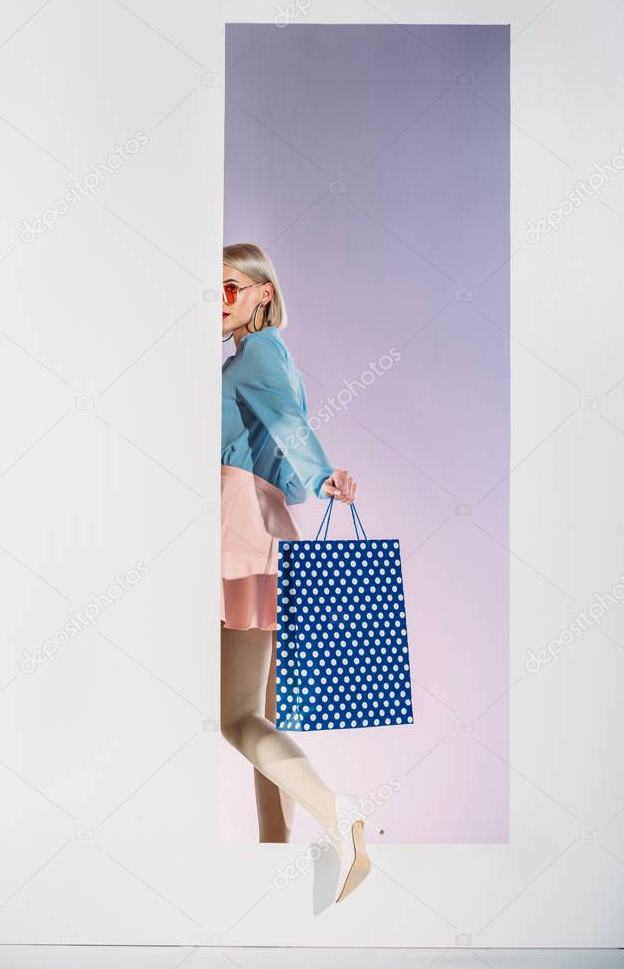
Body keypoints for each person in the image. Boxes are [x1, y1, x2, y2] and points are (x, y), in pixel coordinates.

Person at [220, 242, 383, 904]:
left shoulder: (260, 351)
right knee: (265, 715)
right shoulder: (240, 360)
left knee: (235, 716)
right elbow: (280, 436)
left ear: (263, 293)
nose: (219, 301)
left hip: (237, 525)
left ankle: (334, 810)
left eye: (229, 287)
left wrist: (323, 473)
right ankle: (276, 864)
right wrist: (313, 476)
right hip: (260, 521)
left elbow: (291, 423)